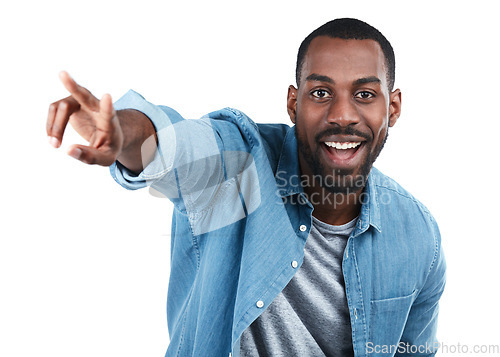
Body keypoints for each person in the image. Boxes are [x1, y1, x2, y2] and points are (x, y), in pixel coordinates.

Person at [46, 18, 446, 357]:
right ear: (294, 103)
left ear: (392, 108)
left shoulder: (418, 235)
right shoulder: (236, 166)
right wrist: (125, 133)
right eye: (321, 93)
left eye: (364, 95)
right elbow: (177, 144)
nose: (342, 115)